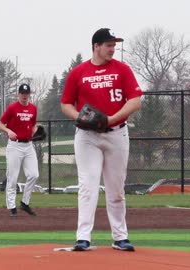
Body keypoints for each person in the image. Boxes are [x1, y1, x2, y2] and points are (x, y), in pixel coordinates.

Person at [61, 28, 142, 252]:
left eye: (114, 45)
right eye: (108, 44)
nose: (113, 48)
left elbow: (135, 100)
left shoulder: (122, 70)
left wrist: (111, 119)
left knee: (116, 189)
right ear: (96, 46)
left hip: (117, 133)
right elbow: (66, 103)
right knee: (88, 186)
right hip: (88, 136)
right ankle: (83, 237)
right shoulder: (79, 72)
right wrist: (80, 118)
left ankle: (120, 237)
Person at [0, 83, 39, 217]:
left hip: (28, 146)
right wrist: (8, 130)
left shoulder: (33, 108)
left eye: (27, 93)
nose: (24, 96)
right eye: (22, 93)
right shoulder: (12, 108)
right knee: (13, 178)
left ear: (29, 94)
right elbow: (0, 124)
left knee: (34, 175)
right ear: (18, 94)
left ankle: (25, 203)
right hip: (15, 146)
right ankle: (12, 207)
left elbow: (33, 125)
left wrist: (35, 132)